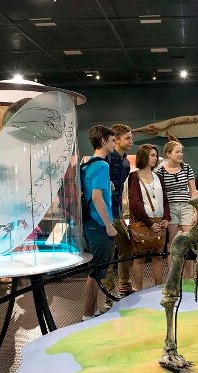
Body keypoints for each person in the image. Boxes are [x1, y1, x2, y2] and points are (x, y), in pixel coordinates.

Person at [81, 125, 118, 321]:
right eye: (112, 140)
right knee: (96, 270)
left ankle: (92, 311)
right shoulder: (102, 165)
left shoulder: (87, 164)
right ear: (103, 141)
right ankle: (87, 314)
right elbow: (97, 197)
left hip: (89, 223)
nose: (114, 144)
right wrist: (108, 225)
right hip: (98, 223)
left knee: (95, 269)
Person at [128, 144, 170, 289]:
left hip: (159, 222)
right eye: (152, 155)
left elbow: (165, 199)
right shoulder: (134, 176)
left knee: (158, 257)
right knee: (139, 259)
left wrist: (166, 217)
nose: (155, 158)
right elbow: (135, 203)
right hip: (142, 222)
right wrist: (149, 222)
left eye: (155, 155)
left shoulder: (158, 176)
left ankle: (158, 288)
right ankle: (139, 290)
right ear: (144, 156)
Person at [101, 123, 135, 297]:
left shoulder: (125, 162)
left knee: (126, 246)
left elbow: (121, 189)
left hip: (118, 212)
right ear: (117, 140)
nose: (131, 141)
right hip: (105, 213)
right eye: (127, 138)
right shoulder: (107, 159)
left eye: (131, 137)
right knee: (108, 253)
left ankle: (124, 284)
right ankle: (108, 291)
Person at [156, 140, 197, 277]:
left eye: (181, 151)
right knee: (172, 243)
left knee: (188, 242)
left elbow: (193, 191)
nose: (180, 154)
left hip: (186, 206)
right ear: (168, 153)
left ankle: (188, 277)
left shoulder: (187, 168)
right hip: (170, 209)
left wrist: (195, 211)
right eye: (177, 151)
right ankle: (174, 276)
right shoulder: (160, 170)